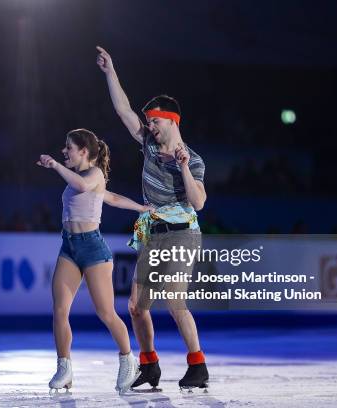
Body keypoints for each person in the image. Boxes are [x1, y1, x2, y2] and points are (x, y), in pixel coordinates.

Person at [96, 46, 209, 391]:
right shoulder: (147, 143)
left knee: (175, 300)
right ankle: (150, 365)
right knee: (135, 306)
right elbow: (122, 109)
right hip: (152, 233)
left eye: (155, 121)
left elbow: (199, 202)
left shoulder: (194, 160)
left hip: (182, 234)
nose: (150, 126)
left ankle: (198, 365)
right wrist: (110, 72)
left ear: (172, 120)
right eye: (149, 122)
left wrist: (184, 167)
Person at [36, 128, 151, 394]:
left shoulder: (93, 174)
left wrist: (54, 165)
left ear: (84, 152)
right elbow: (109, 197)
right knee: (60, 311)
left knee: (106, 312)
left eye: (69, 147)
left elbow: (85, 186)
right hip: (69, 247)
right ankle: (64, 368)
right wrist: (138, 207)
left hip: (93, 249)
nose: (64, 151)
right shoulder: (77, 177)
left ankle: (128, 360)